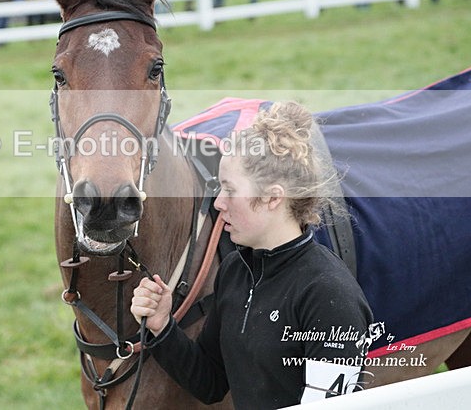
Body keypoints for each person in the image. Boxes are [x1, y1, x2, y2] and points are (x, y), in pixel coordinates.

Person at [131, 101, 374, 409]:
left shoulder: (329, 295)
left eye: (230, 190)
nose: (218, 203)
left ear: (273, 198)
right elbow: (211, 383)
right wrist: (162, 326)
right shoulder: (236, 270)